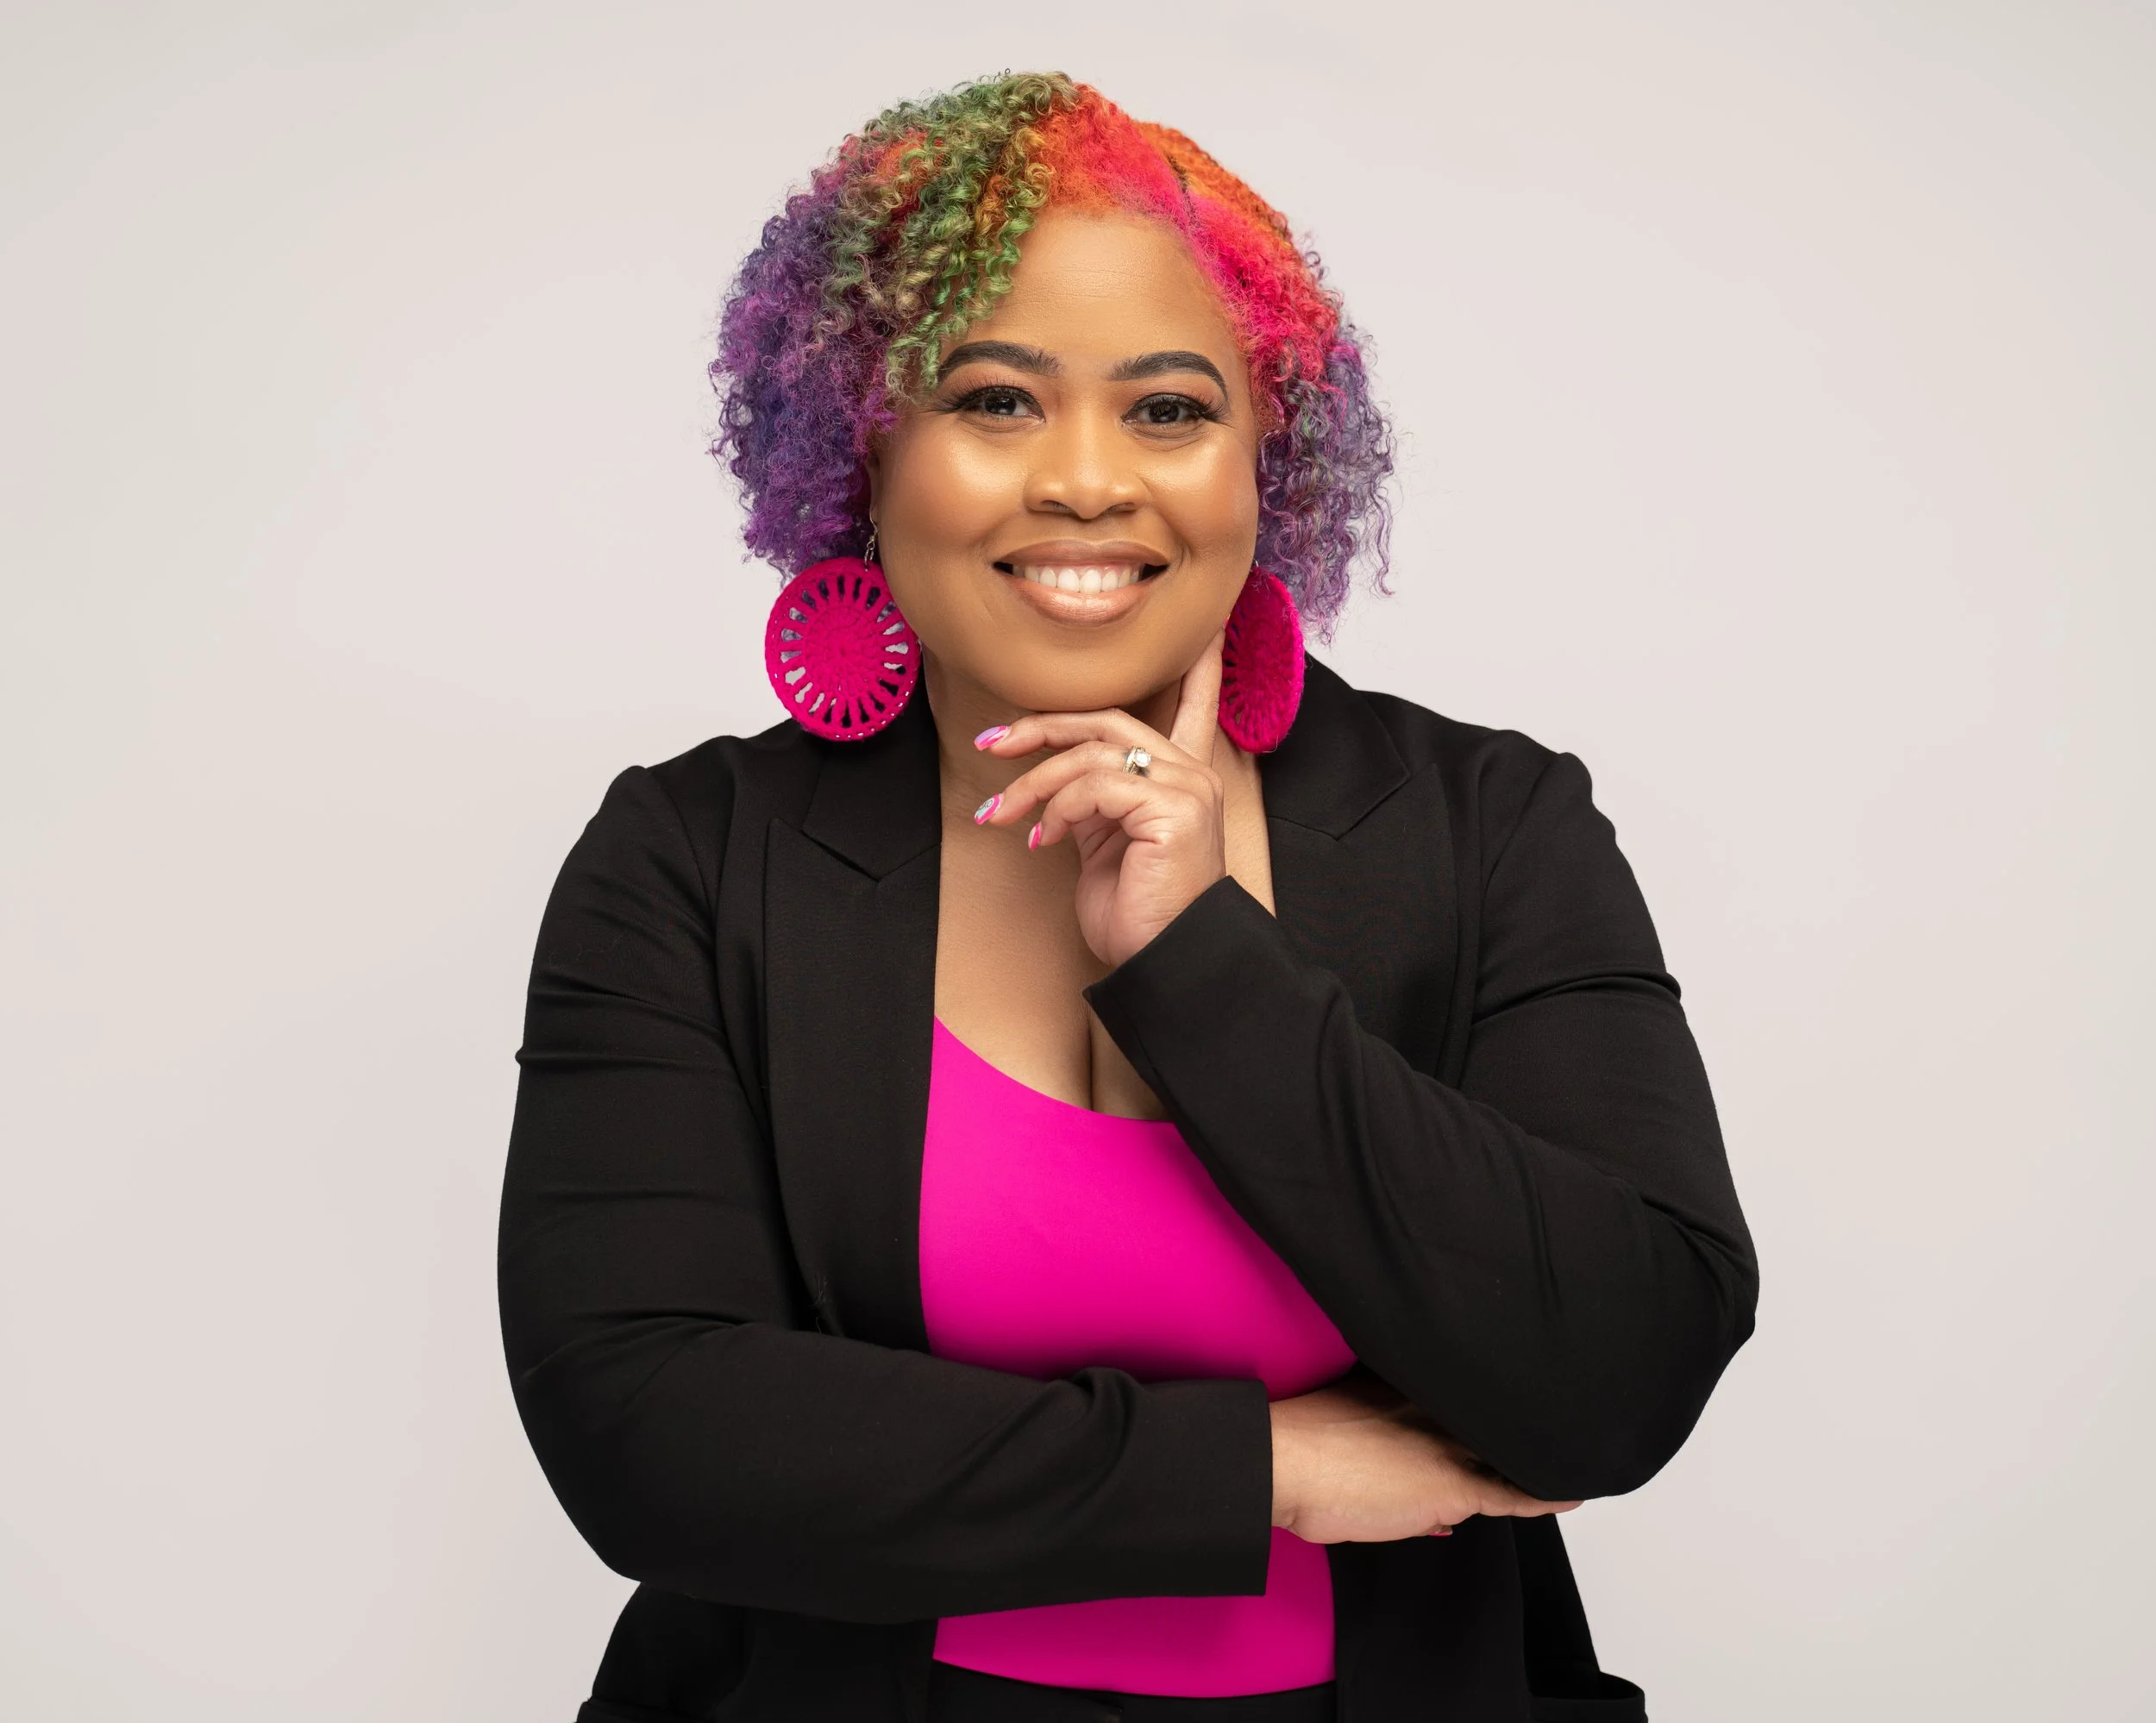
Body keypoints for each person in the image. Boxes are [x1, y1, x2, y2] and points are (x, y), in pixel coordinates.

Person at [498, 72, 1757, 1723]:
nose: (1089, 480)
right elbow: (653, 1429)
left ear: (1264, 462)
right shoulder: (686, 860)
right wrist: (1265, 1477)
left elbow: (1622, 1374)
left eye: (1169, 408)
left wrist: (1200, 967)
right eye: (997, 400)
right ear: (862, 452)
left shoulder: (1490, 823)